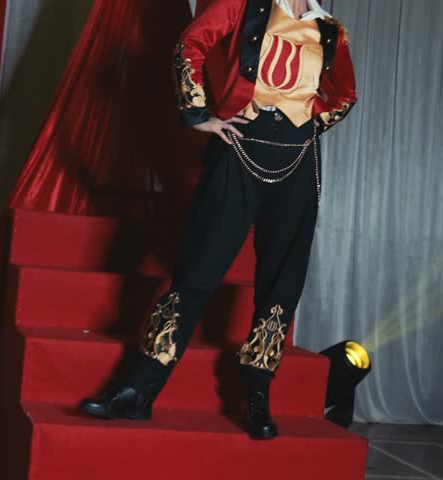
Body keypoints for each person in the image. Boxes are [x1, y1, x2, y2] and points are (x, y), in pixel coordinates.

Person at [79, 0, 357, 440]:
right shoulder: (244, 4)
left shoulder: (328, 30)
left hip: (299, 163)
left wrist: (307, 124)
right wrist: (198, 114)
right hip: (239, 146)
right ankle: (138, 389)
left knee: (282, 282)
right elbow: (190, 44)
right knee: (197, 271)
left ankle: (257, 398)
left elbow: (345, 94)